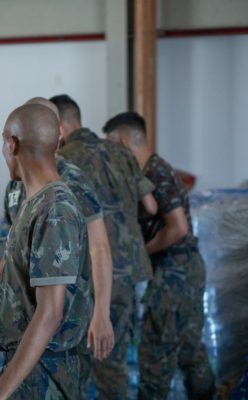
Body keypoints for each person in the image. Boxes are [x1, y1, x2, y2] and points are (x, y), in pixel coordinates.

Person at [0, 98, 114, 382]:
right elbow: (17, 245)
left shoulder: (67, 187)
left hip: (56, 336)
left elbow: (99, 247)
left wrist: (102, 311)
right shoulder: (18, 185)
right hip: (25, 329)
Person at [51, 94, 157, 399]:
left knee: (85, 364)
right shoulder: (120, 152)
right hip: (130, 271)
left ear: (59, 127)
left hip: (93, 276)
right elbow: (150, 205)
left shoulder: (65, 160)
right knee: (117, 360)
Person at [103, 111, 215, 400]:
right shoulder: (153, 170)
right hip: (185, 271)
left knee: (155, 359)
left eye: (112, 146)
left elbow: (177, 228)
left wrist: (141, 252)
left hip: (172, 276)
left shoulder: (155, 172)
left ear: (125, 142)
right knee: (191, 351)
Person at [0, 103, 92, 399]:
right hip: (30, 364)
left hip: (45, 370)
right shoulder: (34, 202)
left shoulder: (55, 208)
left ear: (12, 143)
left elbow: (49, 314)